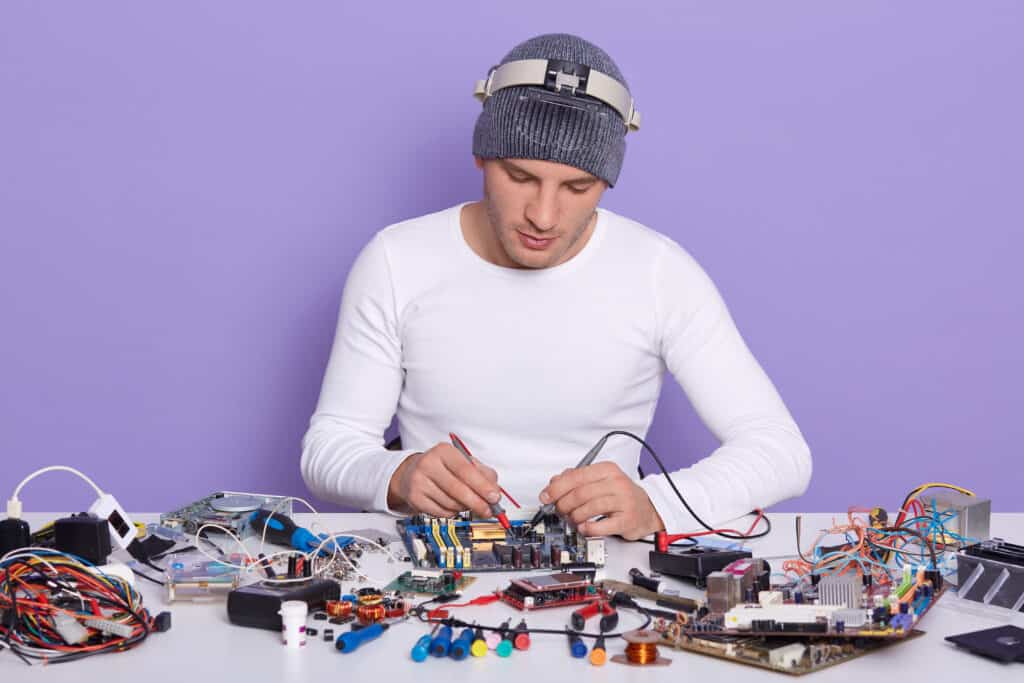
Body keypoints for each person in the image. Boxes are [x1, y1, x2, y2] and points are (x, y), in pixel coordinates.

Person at [301, 33, 811, 540]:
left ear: (607, 182)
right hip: (437, 565)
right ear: (481, 156)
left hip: (604, 575)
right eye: (520, 176)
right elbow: (330, 446)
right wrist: (395, 475)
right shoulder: (396, 260)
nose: (543, 216)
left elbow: (780, 451)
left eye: (576, 187)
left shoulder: (660, 272)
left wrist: (653, 504)